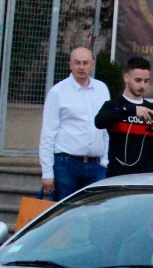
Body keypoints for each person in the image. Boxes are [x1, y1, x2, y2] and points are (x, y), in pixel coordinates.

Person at [39, 47, 109, 200]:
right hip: (66, 165)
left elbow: (106, 129)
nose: (81, 67)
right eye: (77, 63)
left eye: (85, 63)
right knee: (64, 214)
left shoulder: (102, 89)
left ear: (92, 64)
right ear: (70, 64)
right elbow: (48, 134)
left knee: (96, 214)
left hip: (96, 166)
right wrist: (47, 172)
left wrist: (105, 160)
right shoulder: (58, 92)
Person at [94, 56, 153, 176]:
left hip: (144, 177)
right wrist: (132, 110)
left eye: (146, 81)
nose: (142, 86)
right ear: (126, 77)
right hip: (117, 175)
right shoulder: (114, 105)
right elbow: (99, 121)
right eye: (138, 80)